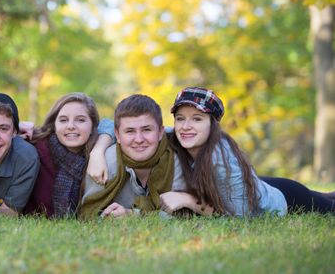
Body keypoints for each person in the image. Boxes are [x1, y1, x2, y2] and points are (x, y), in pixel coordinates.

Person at [161, 86, 335, 216]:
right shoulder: (173, 138)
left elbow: (239, 215)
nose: (185, 127)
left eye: (197, 119)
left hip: (285, 198)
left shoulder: (221, 159)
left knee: (328, 208)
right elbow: (151, 132)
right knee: (326, 195)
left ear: (212, 125)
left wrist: (186, 200)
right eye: (180, 119)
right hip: (257, 184)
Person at [79, 94, 211, 220]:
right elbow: (89, 212)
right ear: (117, 136)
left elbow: (185, 213)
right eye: (130, 131)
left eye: (147, 130)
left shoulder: (177, 157)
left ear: (160, 132)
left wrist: (133, 215)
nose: (139, 139)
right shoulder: (104, 161)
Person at [23, 92, 100, 218]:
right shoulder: (36, 146)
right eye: (63, 120)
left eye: (80, 120)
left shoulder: (98, 153)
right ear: (54, 124)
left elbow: (115, 126)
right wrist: (17, 125)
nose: (71, 126)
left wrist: (99, 151)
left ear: (92, 126)